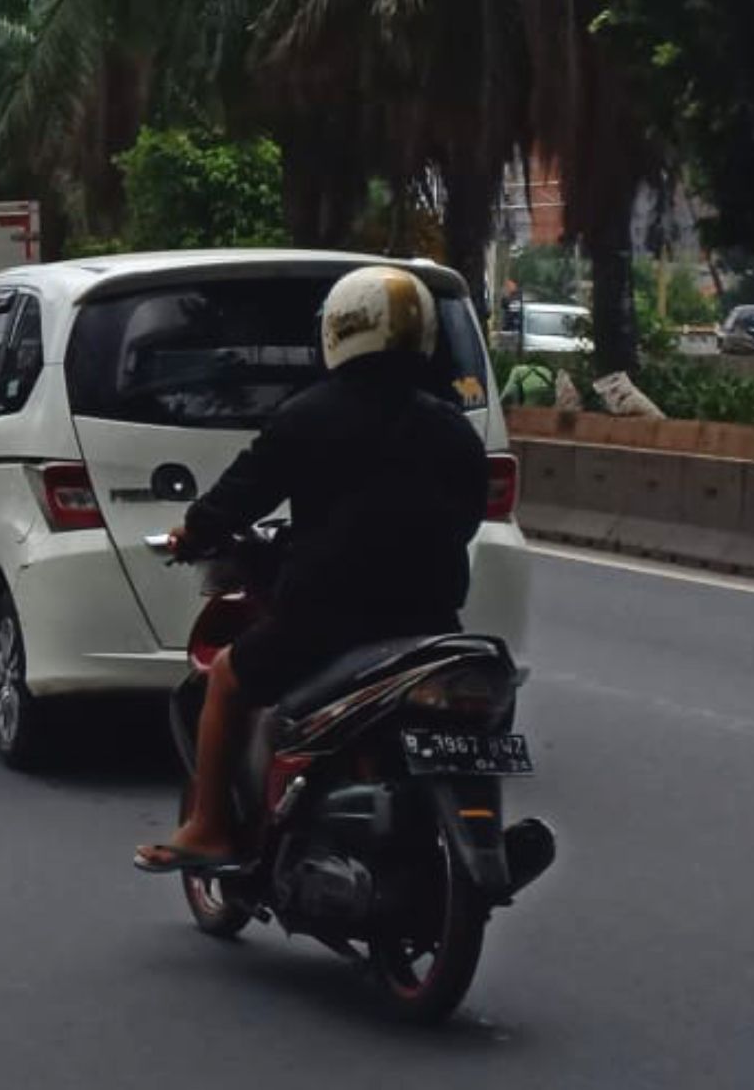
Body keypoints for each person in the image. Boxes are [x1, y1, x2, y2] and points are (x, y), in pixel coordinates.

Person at [135, 265, 489, 874]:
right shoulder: (453, 427)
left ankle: (211, 827)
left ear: (339, 331)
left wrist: (191, 533)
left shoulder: (308, 416)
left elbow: (236, 499)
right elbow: (467, 517)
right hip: (432, 621)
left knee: (225, 676)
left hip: (328, 621)